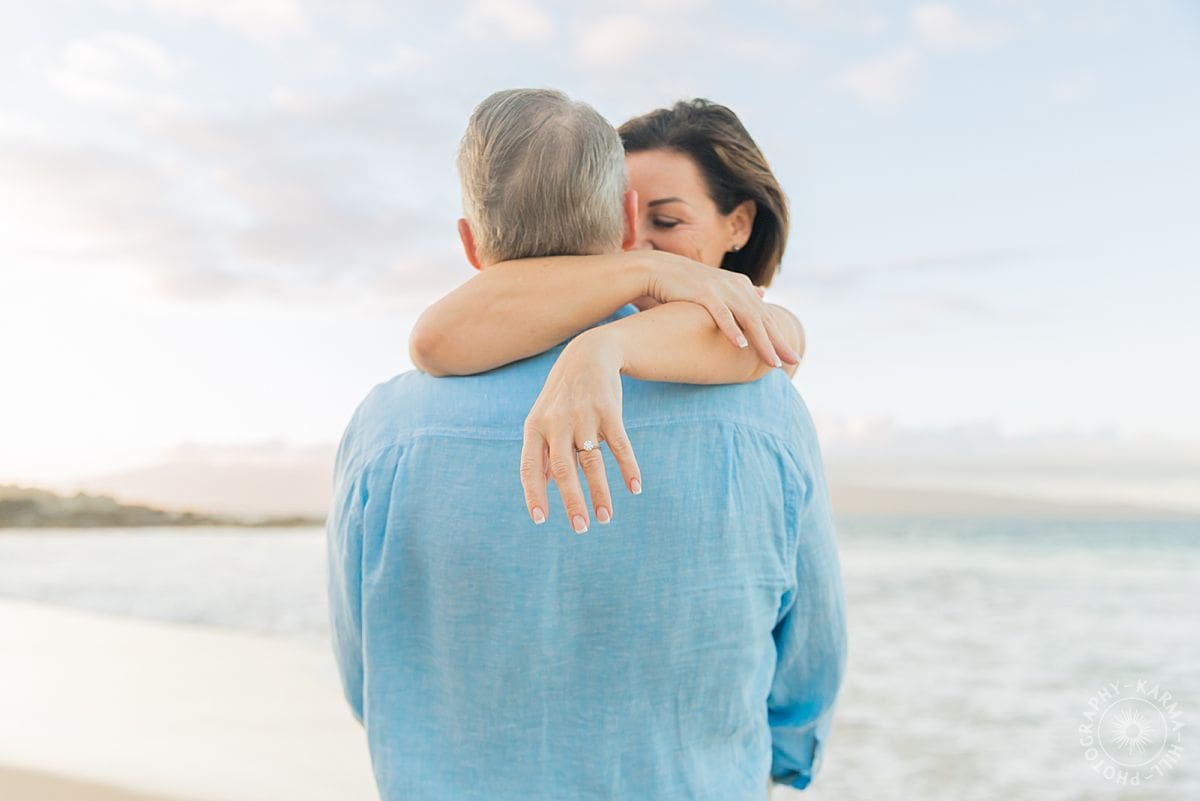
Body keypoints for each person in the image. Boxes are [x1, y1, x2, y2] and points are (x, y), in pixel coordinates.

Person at [326, 88, 847, 801]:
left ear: (470, 243)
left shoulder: (382, 429)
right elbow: (807, 674)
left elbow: (369, 676)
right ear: (626, 221)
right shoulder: (764, 411)